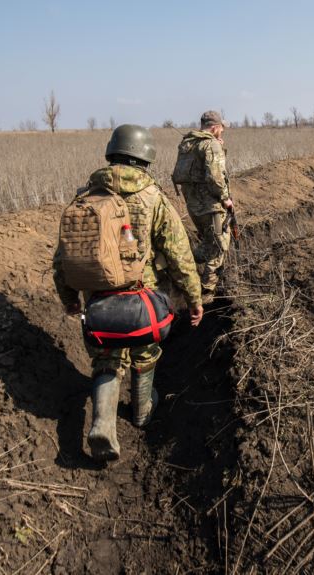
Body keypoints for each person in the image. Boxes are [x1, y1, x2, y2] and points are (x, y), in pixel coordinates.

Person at [53, 124, 203, 461]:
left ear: (111, 153)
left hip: (98, 303)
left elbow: (63, 258)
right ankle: (141, 412)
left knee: (106, 359)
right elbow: (180, 255)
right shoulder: (154, 199)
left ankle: (103, 424)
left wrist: (69, 299)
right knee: (144, 355)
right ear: (146, 158)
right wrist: (194, 300)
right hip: (143, 302)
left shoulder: (86, 197)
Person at [174, 110, 233, 302]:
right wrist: (225, 198)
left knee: (209, 242)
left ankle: (182, 267)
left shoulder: (188, 143)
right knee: (218, 246)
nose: (222, 132)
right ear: (215, 127)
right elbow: (215, 176)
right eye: (221, 129)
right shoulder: (211, 144)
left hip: (194, 205)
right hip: (211, 205)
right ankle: (207, 293)